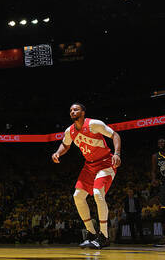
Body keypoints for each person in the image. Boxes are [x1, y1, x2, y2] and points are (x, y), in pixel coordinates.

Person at [51, 103, 122, 249]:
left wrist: (117, 153)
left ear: (83, 112)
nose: (72, 111)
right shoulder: (69, 131)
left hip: (105, 163)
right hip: (89, 166)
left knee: (97, 193)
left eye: (76, 109)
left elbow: (115, 135)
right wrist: (58, 152)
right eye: (70, 110)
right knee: (77, 196)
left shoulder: (94, 124)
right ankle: (91, 233)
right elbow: (65, 145)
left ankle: (104, 236)